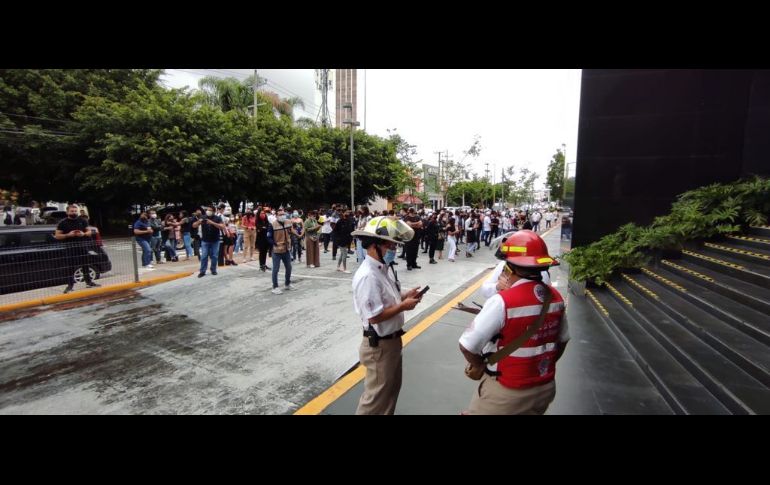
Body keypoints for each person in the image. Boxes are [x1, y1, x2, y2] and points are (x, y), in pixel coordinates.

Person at [459, 230, 567, 415]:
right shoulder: (555, 297)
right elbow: (562, 340)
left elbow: (467, 346)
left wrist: (480, 365)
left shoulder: (502, 301)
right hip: (545, 387)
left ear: (509, 268)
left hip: (507, 391)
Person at [350, 216, 422, 414]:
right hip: (379, 346)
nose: (393, 249)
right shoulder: (368, 276)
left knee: (389, 393)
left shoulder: (384, 269)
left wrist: (405, 296)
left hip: (391, 342)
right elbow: (374, 316)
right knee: (374, 400)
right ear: (374, 246)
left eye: (394, 245)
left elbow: (389, 296)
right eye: (389, 245)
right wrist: (403, 307)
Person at [54, 203, 100, 294]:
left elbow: (89, 232)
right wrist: (68, 235)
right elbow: (57, 236)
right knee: (70, 267)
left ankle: (89, 282)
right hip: (70, 247)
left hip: (82, 246)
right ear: (67, 212)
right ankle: (70, 286)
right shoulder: (62, 223)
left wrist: (83, 234)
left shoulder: (82, 220)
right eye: (72, 211)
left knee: (85, 265)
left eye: (75, 211)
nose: (74, 212)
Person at [193, 206, 227, 278]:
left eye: (210, 210)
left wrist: (212, 223)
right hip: (205, 240)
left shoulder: (217, 218)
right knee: (204, 256)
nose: (208, 211)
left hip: (215, 240)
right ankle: (202, 271)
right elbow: (194, 225)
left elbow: (222, 226)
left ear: (214, 211)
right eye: (207, 210)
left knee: (214, 256)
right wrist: (199, 221)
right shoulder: (203, 217)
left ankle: (213, 269)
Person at [267, 208, 294, 294]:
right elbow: (269, 237)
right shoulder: (272, 224)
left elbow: (291, 231)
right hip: (277, 251)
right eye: (280, 215)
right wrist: (275, 244)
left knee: (289, 267)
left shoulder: (288, 222)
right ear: (277, 216)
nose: (282, 216)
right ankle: (275, 287)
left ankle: (287, 284)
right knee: (276, 269)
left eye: (283, 214)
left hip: (286, 249)